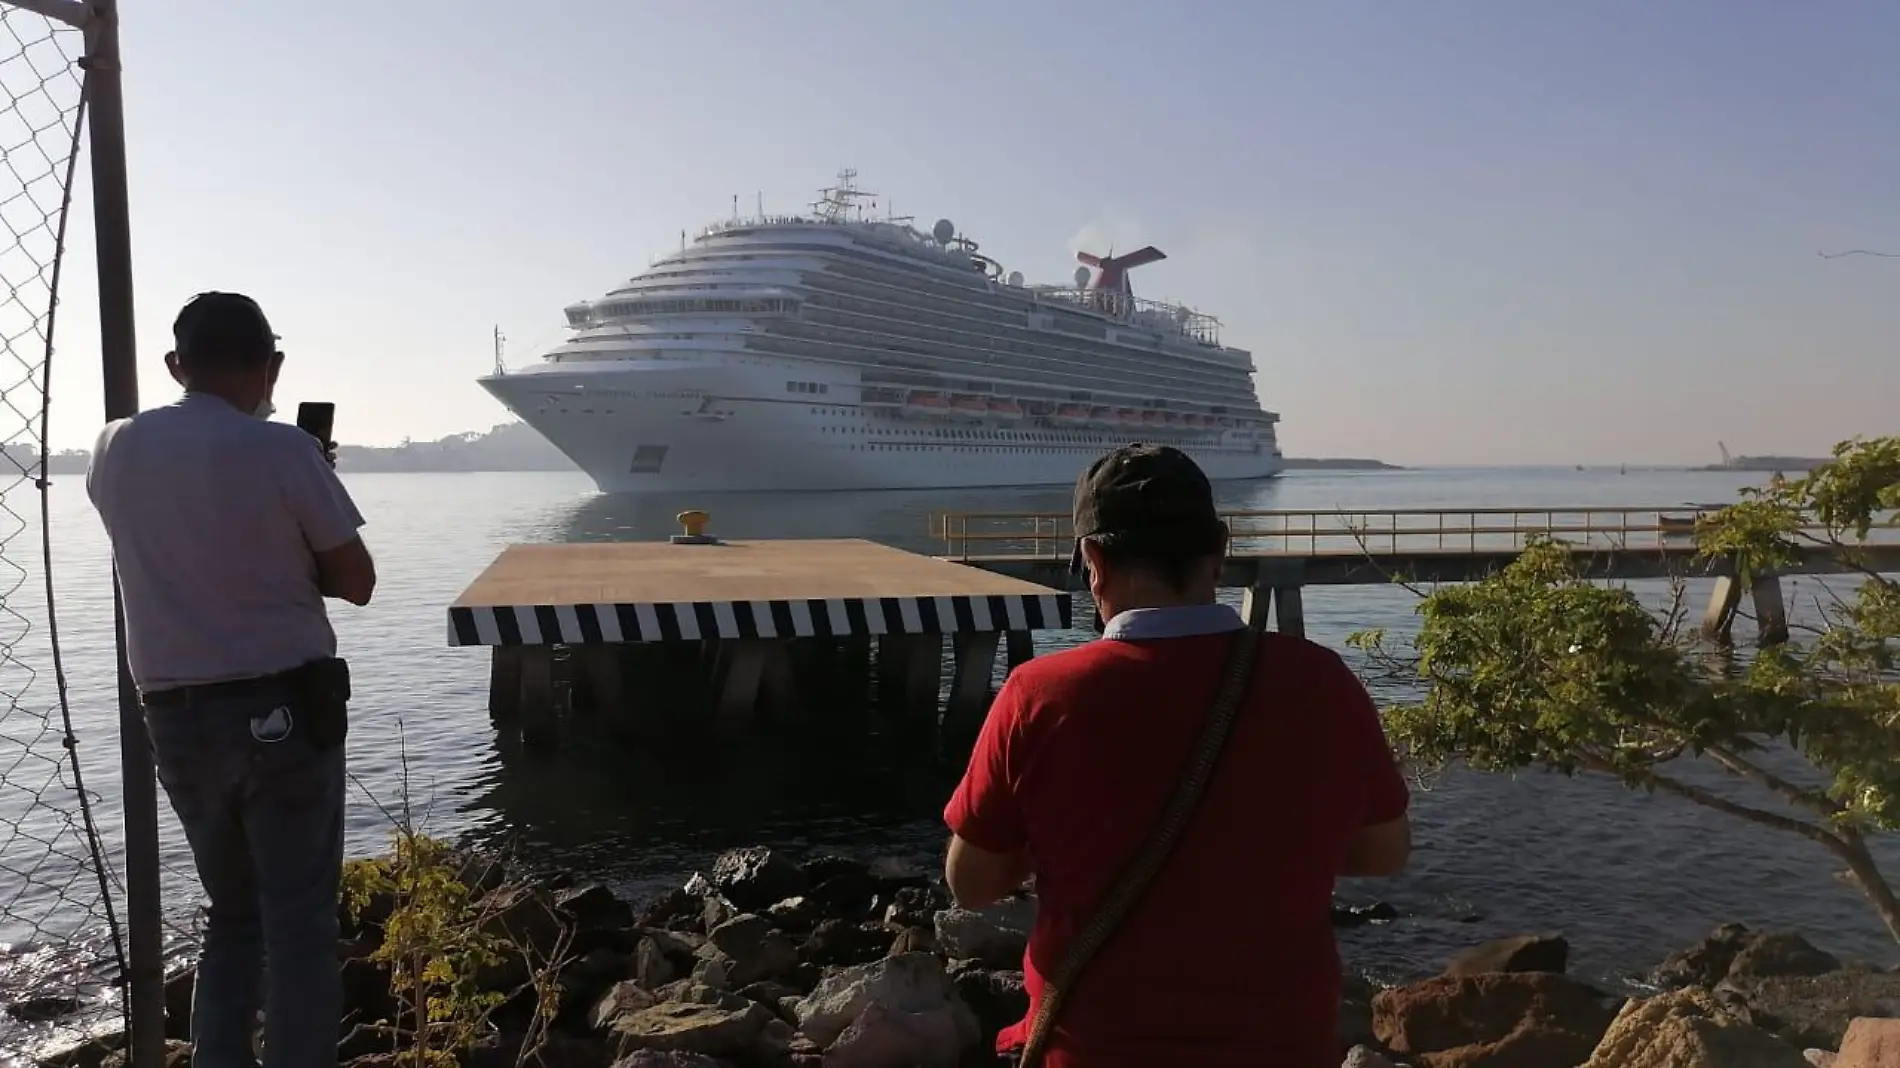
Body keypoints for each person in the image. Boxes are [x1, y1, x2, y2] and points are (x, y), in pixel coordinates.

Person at [942, 443, 1411, 1067]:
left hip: (1094, 1051)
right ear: (1218, 550)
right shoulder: (1321, 680)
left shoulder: (1040, 695)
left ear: (1093, 559)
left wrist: (1067, 843)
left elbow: (971, 882)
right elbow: (1385, 852)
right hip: (1282, 1048)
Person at [87, 292, 376, 1068]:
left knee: (234, 915)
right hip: (278, 710)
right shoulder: (284, 451)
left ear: (176, 366)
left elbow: (196, 543)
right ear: (271, 367)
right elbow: (355, 581)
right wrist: (312, 479)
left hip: (172, 717)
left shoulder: (112, 449)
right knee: (301, 921)